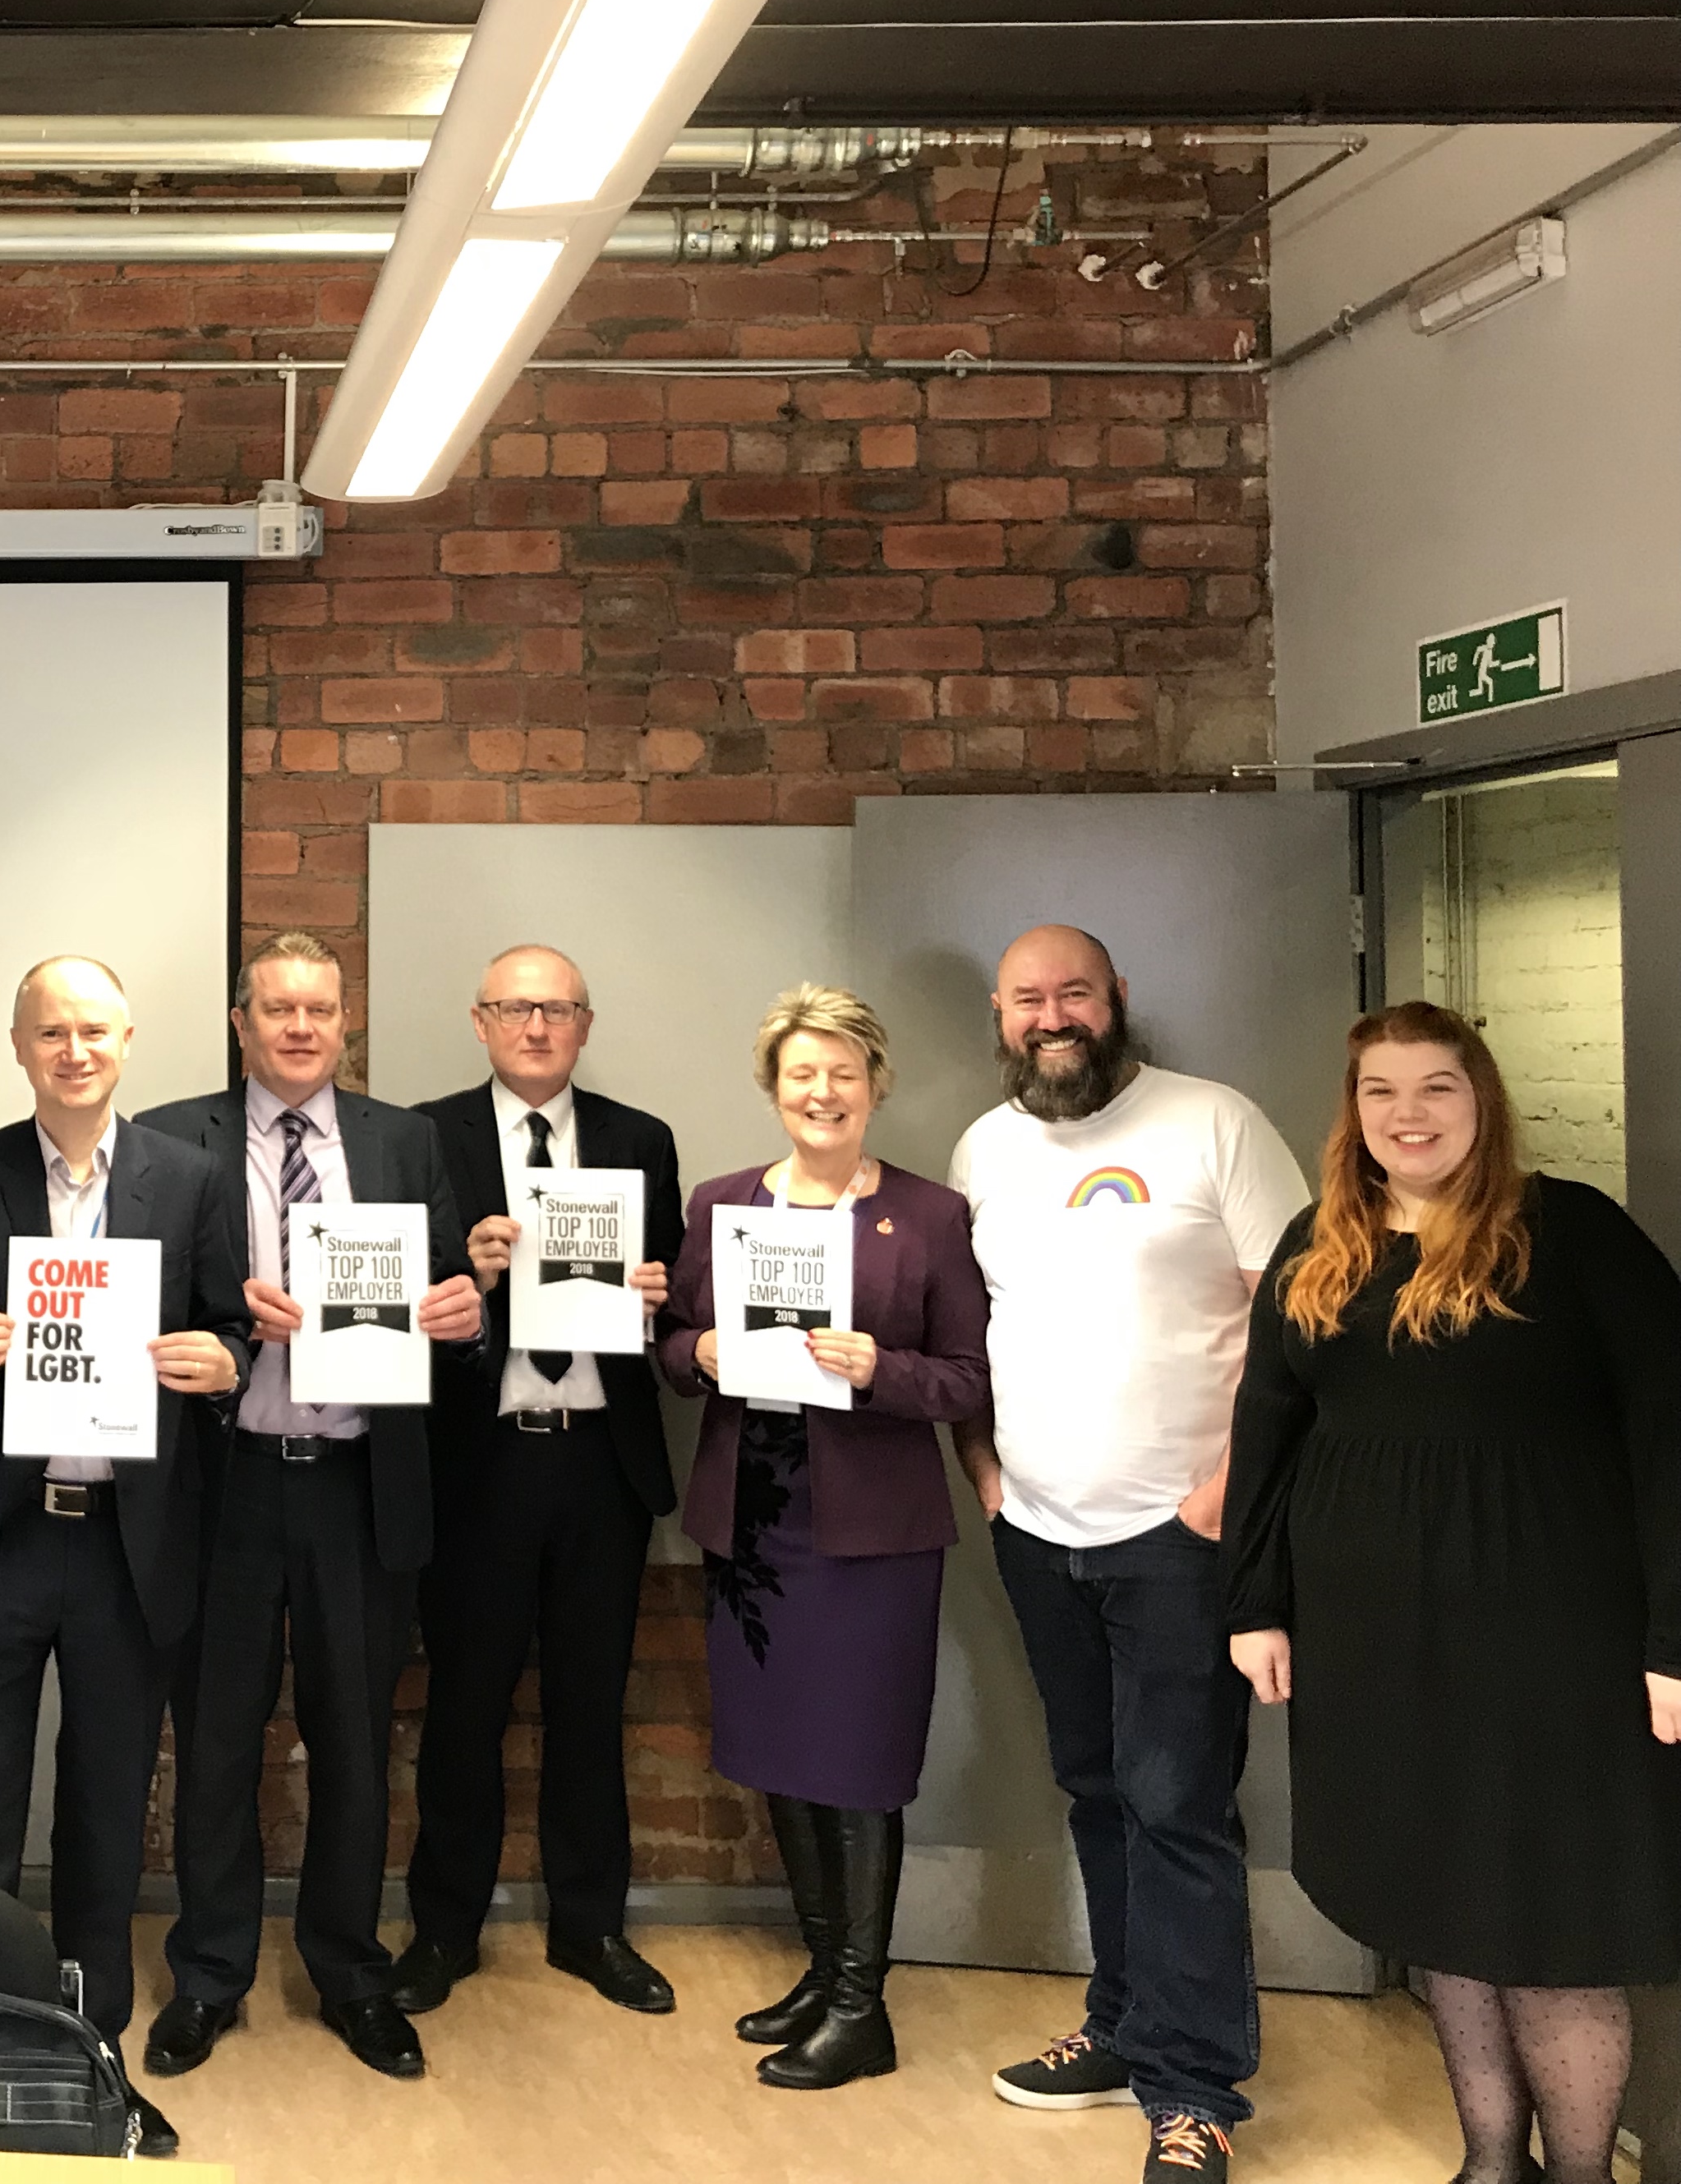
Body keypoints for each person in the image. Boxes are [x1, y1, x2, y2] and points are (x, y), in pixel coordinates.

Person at [1225, 1004, 1681, 2184]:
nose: (1409, 1113)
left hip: (1553, 1639)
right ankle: (1489, 2164)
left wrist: (1675, 1637)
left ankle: (1578, 2174)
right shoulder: (1316, 1242)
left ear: (1482, 1100)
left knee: (1552, 1920)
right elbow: (1266, 1425)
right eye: (1381, 1090)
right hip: (1375, 1641)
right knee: (1441, 1899)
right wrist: (1253, 1603)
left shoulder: (1569, 1231)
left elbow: (1670, 1428)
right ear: (1354, 1111)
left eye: (1437, 1087)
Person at [946, 924, 1308, 2184]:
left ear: (1118, 1001)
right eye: (1028, 999)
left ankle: (1195, 2089)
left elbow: (1299, 1320)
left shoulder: (1215, 1123)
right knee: (1097, 1791)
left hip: (1178, 1539)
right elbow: (973, 1328)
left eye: (1076, 994)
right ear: (1001, 1016)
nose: (1053, 1017)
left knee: (1177, 1807)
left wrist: (1224, 1494)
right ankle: (1124, 2024)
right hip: (1040, 1534)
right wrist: (987, 1476)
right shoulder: (985, 1149)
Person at [0, 954, 248, 2159]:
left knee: (107, 1815)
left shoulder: (189, 1178)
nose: (74, 1051)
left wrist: (225, 1365)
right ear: (20, 1046)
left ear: (126, 1042)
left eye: (94, 1031)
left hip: (127, 1547)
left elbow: (227, 1331)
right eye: (51, 1032)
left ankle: (88, 2048)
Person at [138, 932, 481, 2085]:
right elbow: (145, 1300)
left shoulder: (404, 1141)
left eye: (320, 1010)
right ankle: (209, 1974)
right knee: (217, 1742)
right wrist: (222, 1315)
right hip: (223, 1484)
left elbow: (446, 1294)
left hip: (357, 1484)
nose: (299, 1027)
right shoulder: (170, 1137)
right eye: (277, 1009)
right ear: (241, 1023)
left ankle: (349, 1970)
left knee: (353, 1741)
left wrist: (464, 1318)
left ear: (345, 1024)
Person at [657, 985, 989, 2090]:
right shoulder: (723, 1203)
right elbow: (672, 1341)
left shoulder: (931, 1216)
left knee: (857, 1762)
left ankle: (861, 2008)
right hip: (755, 1525)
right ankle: (820, 1972)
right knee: (782, 1757)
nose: (823, 1091)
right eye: (802, 1072)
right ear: (773, 1087)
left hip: (873, 1535)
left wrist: (879, 1368)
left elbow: (966, 1380)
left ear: (876, 1085)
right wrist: (698, 1352)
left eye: (844, 1072)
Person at [395, 942, 684, 2025]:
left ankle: (591, 1926)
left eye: (557, 1010)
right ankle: (443, 1929)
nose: (536, 1027)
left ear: (584, 1026)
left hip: (601, 1461)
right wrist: (464, 1274)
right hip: (479, 1459)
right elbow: (389, 1300)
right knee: (464, 1706)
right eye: (516, 1009)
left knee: (590, 1704)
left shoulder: (640, 1140)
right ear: (480, 1021)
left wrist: (657, 1293)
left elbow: (678, 1296)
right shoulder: (423, 1136)